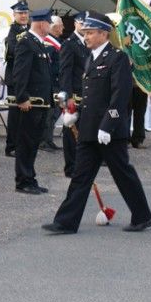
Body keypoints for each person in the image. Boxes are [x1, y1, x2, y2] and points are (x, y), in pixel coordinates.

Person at [42, 11, 151, 234]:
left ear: (104, 34)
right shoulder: (91, 58)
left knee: (122, 174)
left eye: (90, 33)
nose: (86, 37)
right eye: (85, 33)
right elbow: (92, 96)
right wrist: (76, 114)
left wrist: (108, 125)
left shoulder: (117, 58)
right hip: (89, 129)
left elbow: (120, 96)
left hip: (109, 131)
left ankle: (142, 216)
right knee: (80, 176)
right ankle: (65, 222)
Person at [13, 8, 53, 195]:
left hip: (40, 103)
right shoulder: (26, 42)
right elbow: (20, 73)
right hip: (30, 103)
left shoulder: (38, 43)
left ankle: (30, 177)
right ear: (41, 24)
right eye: (49, 23)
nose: (50, 26)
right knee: (26, 142)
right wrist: (22, 97)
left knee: (33, 142)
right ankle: (23, 180)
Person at [58, 11, 89, 177]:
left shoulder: (88, 43)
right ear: (75, 23)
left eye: (87, 24)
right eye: (81, 23)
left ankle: (82, 164)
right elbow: (65, 72)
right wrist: (67, 97)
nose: (84, 27)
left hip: (87, 95)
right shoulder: (69, 44)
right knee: (71, 133)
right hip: (74, 96)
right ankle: (71, 167)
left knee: (85, 131)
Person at [4, 0, 30, 157]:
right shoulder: (13, 31)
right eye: (20, 13)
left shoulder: (29, 29)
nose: (23, 16)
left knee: (25, 116)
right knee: (15, 115)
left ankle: (21, 145)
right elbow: (12, 52)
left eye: (25, 13)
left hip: (27, 79)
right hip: (15, 78)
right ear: (14, 15)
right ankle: (11, 146)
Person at [39, 14, 63, 152]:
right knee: (50, 113)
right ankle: (44, 141)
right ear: (55, 27)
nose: (63, 28)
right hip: (52, 83)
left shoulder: (57, 41)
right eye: (61, 25)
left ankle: (49, 139)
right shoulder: (48, 42)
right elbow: (48, 64)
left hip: (58, 83)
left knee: (55, 113)